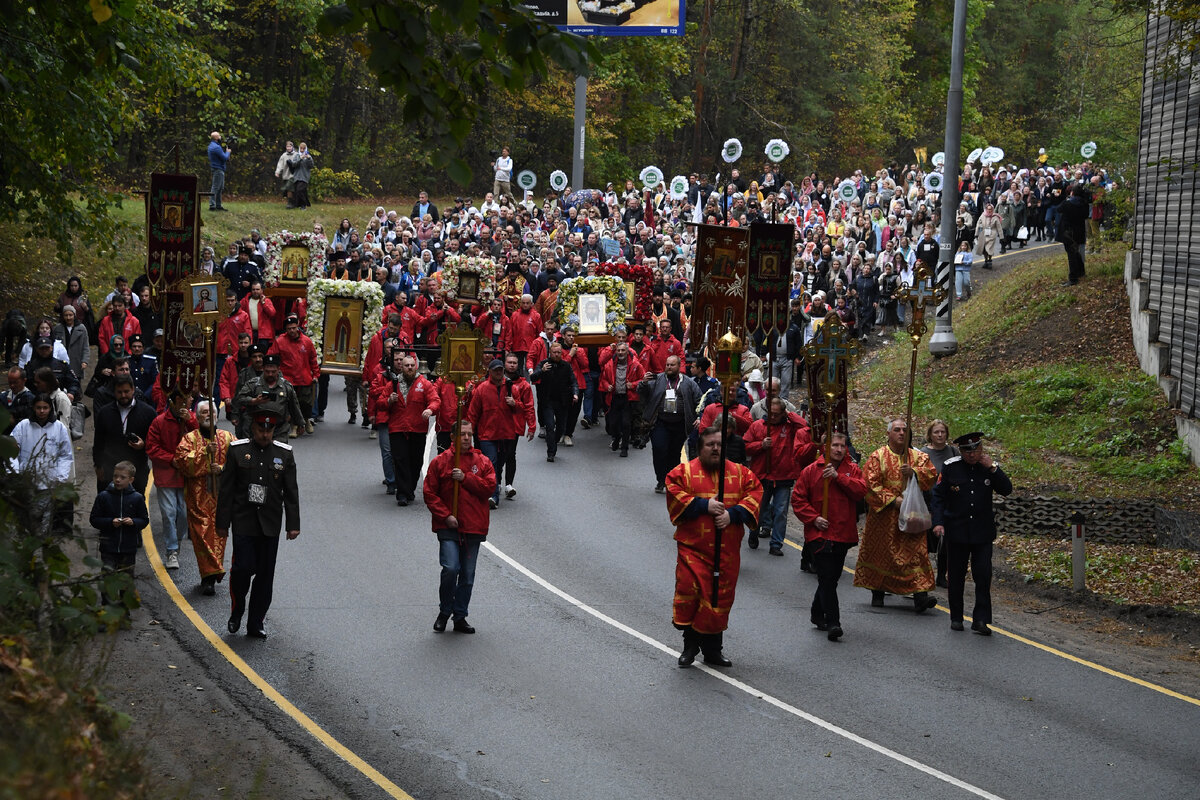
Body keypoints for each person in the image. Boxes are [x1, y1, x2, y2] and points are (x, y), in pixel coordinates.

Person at [667, 425, 763, 668]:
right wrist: (702, 506)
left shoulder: (741, 473)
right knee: (691, 591)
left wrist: (734, 514)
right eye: (710, 444)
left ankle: (713, 650)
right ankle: (690, 646)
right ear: (700, 447)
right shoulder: (685, 472)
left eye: (719, 445)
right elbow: (673, 489)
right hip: (693, 550)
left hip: (726, 553)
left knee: (718, 598)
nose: (715, 448)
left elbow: (755, 492)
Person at [217, 409, 300, 639]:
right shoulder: (237, 451)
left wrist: (293, 524)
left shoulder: (284, 454)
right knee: (242, 568)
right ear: (252, 428)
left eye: (269, 430)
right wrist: (222, 524)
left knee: (265, 575)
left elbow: (291, 492)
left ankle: (256, 622)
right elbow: (226, 490)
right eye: (261, 429)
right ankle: (237, 609)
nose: (265, 434)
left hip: (270, 523)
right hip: (244, 520)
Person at [853, 417, 939, 611]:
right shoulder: (878, 457)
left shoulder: (917, 457)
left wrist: (915, 472)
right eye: (897, 430)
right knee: (883, 553)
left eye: (904, 430)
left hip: (911, 516)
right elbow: (870, 484)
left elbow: (932, 475)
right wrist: (894, 500)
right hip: (885, 517)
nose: (901, 433)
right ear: (889, 434)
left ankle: (920, 596)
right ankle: (878, 591)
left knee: (917, 553)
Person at [932, 432, 1013, 635]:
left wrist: (993, 468)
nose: (972, 454)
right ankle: (957, 617)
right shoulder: (951, 467)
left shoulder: (987, 468)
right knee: (956, 577)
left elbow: (1006, 489)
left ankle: (981, 620)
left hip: (982, 533)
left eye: (976, 450)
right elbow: (938, 497)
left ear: (981, 450)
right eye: (968, 451)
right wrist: (938, 523)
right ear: (961, 451)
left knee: (983, 576)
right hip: (957, 531)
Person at [790, 432, 867, 641]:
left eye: (842, 446)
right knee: (826, 576)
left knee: (831, 578)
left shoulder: (852, 470)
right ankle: (834, 622)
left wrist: (838, 478)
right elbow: (798, 499)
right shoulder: (810, 471)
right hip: (819, 534)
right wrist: (813, 518)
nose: (839, 450)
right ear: (825, 447)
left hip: (843, 532)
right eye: (835, 446)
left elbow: (861, 491)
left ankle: (817, 612)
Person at [423, 419, 496, 634]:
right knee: (450, 568)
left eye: (469, 434)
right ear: (454, 436)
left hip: (473, 527)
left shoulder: (482, 461)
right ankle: (444, 611)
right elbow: (429, 493)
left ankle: (460, 615)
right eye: (462, 434)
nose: (466, 438)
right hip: (450, 527)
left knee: (467, 575)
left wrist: (466, 478)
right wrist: (446, 516)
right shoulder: (440, 462)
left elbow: (489, 487)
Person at [175, 398, 234, 595]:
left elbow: (238, 463)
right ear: (197, 416)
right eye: (204, 413)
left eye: (212, 412)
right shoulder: (189, 439)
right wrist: (203, 454)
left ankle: (210, 577)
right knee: (201, 535)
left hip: (220, 499)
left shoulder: (227, 437)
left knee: (218, 536)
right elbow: (181, 461)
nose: (209, 415)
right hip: (197, 499)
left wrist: (222, 468)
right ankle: (209, 574)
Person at [743, 396, 816, 556]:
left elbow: (804, 426)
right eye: (771, 413)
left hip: (784, 476)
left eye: (777, 414)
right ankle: (753, 533)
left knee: (781, 510)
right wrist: (760, 445)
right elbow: (745, 446)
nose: (773, 417)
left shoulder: (790, 427)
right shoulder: (757, 426)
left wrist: (789, 414)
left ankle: (776, 544)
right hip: (762, 474)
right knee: (759, 509)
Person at [373, 352, 439, 506]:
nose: (409, 368)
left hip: (417, 429)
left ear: (416, 367)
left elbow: (435, 400)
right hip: (398, 428)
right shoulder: (393, 385)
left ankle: (409, 488)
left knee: (415, 462)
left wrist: (430, 410)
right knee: (400, 460)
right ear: (401, 367)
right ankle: (402, 493)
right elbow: (380, 403)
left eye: (412, 365)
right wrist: (389, 400)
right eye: (406, 365)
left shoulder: (425, 384)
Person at [468, 359, 535, 508]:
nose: (499, 373)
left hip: (506, 434)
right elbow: (473, 412)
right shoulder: (482, 389)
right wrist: (469, 432)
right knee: (491, 463)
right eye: (496, 370)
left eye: (500, 370)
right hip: (487, 434)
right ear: (490, 372)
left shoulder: (512, 388)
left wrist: (515, 404)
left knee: (499, 464)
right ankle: (493, 496)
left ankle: (494, 486)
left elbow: (522, 408)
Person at [145, 388, 196, 570]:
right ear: (175, 400)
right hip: (166, 474)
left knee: (183, 514)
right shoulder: (159, 421)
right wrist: (171, 459)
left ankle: (177, 542)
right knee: (169, 513)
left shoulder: (192, 420)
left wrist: (191, 423)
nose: (190, 400)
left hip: (186, 474)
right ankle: (171, 550)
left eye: (190, 397)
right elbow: (152, 448)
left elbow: (201, 440)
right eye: (186, 397)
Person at [638, 354, 700, 493]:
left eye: (672, 365)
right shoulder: (658, 379)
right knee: (660, 450)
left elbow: (699, 400)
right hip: (659, 423)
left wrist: (699, 416)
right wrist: (643, 383)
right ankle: (661, 479)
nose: (669, 367)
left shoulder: (688, 383)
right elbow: (642, 393)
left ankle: (671, 481)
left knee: (674, 454)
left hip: (680, 424)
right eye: (667, 365)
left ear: (679, 366)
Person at [93, 375, 156, 495]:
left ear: (133, 390)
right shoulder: (104, 413)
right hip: (109, 469)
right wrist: (98, 465)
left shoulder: (148, 413)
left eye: (126, 391)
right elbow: (98, 441)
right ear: (114, 392)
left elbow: (156, 441)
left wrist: (144, 445)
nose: (123, 396)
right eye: (119, 392)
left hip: (137, 469)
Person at [89, 461, 149, 585]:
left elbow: (144, 520)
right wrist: (110, 522)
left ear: (131, 480)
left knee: (126, 580)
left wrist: (133, 522)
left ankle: (123, 603)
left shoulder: (137, 498)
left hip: (128, 548)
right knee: (108, 577)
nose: (118, 480)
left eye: (122, 477)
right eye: (115, 476)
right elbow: (94, 519)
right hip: (108, 546)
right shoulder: (103, 497)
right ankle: (107, 602)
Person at [919, 419, 960, 588]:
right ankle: (921, 576)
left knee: (946, 542)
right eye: (936, 432)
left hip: (948, 503)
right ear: (930, 434)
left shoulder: (953, 452)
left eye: (942, 432)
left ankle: (942, 574)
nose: (940, 435)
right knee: (925, 542)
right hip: (927, 502)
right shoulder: (922, 453)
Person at [233, 354, 305, 442]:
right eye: (267, 371)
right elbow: (239, 398)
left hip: (279, 429)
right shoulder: (253, 384)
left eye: (273, 372)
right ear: (263, 369)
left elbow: (294, 406)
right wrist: (254, 401)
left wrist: (300, 423)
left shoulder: (286, 387)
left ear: (278, 370)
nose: (270, 374)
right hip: (257, 429)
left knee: (279, 453)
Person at [268, 315, 319, 438]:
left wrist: (316, 374)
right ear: (286, 329)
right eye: (289, 328)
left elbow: (313, 359)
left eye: (294, 328)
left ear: (298, 327)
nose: (291, 330)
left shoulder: (306, 341)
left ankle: (306, 420)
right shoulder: (280, 341)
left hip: (304, 378)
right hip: (288, 378)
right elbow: (272, 356)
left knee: (305, 403)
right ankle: (294, 426)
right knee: (290, 403)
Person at [12, 394, 73, 490]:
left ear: (50, 408)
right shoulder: (22, 426)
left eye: (45, 408)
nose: (42, 411)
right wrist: (15, 474)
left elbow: (65, 455)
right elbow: (12, 452)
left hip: (50, 483)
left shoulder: (59, 428)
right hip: (26, 483)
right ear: (33, 408)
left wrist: (60, 478)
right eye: (38, 408)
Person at [529, 341, 578, 462]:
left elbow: (573, 381)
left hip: (562, 401)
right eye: (554, 352)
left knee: (561, 428)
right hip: (548, 401)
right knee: (550, 426)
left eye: (559, 353)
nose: (556, 355)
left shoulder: (566, 366)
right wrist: (542, 371)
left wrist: (575, 393)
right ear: (550, 353)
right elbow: (532, 377)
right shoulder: (544, 364)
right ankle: (551, 452)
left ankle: (553, 441)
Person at [598, 341, 646, 456]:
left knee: (626, 423)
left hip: (628, 398)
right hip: (614, 397)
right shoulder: (610, 364)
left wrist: (633, 385)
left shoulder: (635, 364)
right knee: (613, 423)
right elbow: (603, 379)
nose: (620, 352)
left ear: (627, 351)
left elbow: (643, 379)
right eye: (618, 350)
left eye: (623, 350)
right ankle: (616, 437)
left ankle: (624, 448)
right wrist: (607, 386)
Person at [1057, 184, 1089, 286]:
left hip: (1068, 232)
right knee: (1076, 252)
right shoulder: (1084, 203)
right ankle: (1081, 271)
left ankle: (1073, 278)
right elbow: (1085, 215)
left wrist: (1067, 199)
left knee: (1071, 254)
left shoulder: (1068, 203)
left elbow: (1059, 209)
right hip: (1079, 230)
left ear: (1072, 193)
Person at [2, 366, 34, 433]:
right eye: (10, 382)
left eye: (15, 382)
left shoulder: (30, 398)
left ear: (24, 380)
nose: (12, 385)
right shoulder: (3, 396)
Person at [207, 131, 230, 211]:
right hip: (218, 169)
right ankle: (212, 205)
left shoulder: (212, 146)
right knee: (216, 187)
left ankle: (218, 205)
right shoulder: (216, 147)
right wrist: (228, 152)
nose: (220, 137)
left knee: (220, 188)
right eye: (219, 136)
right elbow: (224, 158)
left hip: (216, 168)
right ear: (216, 138)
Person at [288, 142, 314, 209]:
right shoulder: (297, 156)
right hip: (297, 176)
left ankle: (303, 205)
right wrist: (300, 158)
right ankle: (299, 204)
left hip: (304, 177)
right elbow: (293, 164)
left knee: (300, 190)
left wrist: (308, 159)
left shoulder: (309, 157)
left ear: (306, 149)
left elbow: (311, 166)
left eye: (303, 148)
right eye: (301, 148)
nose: (302, 150)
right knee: (299, 191)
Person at [275, 141, 295, 207]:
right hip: (285, 175)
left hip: (293, 175)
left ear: (292, 147)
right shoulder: (284, 155)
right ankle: (291, 202)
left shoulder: (296, 155)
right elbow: (280, 165)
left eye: (290, 146)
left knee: (289, 188)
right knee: (288, 191)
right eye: (287, 146)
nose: (289, 148)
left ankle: (290, 203)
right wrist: (277, 172)